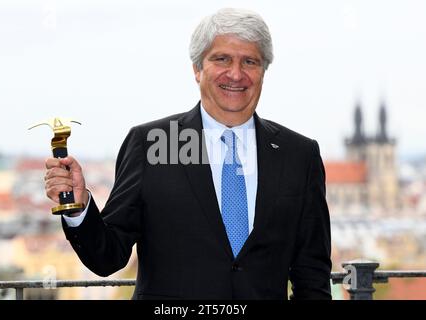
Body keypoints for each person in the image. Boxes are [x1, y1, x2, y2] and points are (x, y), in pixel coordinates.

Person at [44, 8, 332, 300]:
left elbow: (312, 276)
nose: (236, 73)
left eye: (250, 61)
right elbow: (108, 257)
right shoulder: (155, 144)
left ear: (263, 71)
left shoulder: (299, 155)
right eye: (221, 59)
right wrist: (78, 208)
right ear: (197, 69)